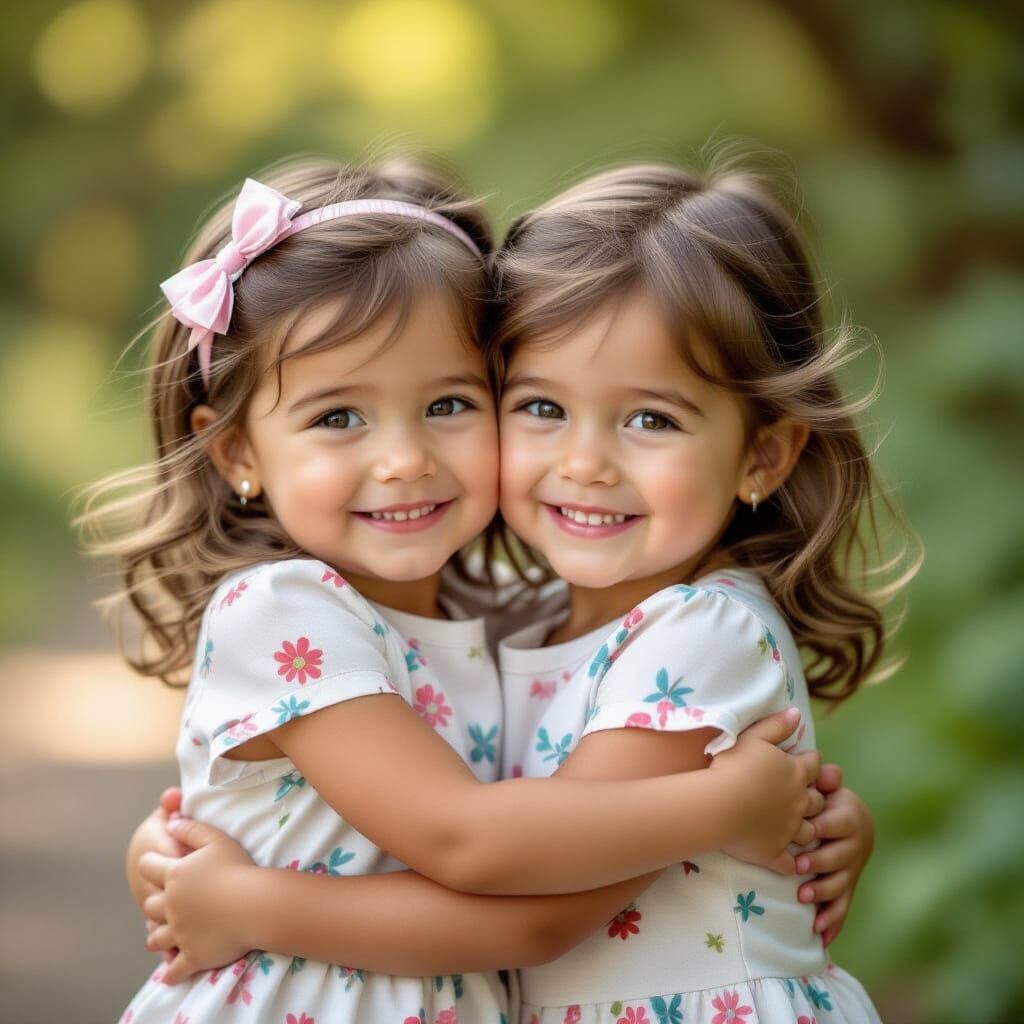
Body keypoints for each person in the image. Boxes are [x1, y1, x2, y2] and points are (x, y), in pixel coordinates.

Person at [84, 156, 827, 1024]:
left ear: (764, 453)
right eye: (338, 417)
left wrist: (817, 819)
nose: (404, 459)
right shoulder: (283, 611)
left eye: (449, 403)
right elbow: (465, 840)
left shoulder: (515, 630)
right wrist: (721, 807)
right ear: (239, 453)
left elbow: (531, 840)